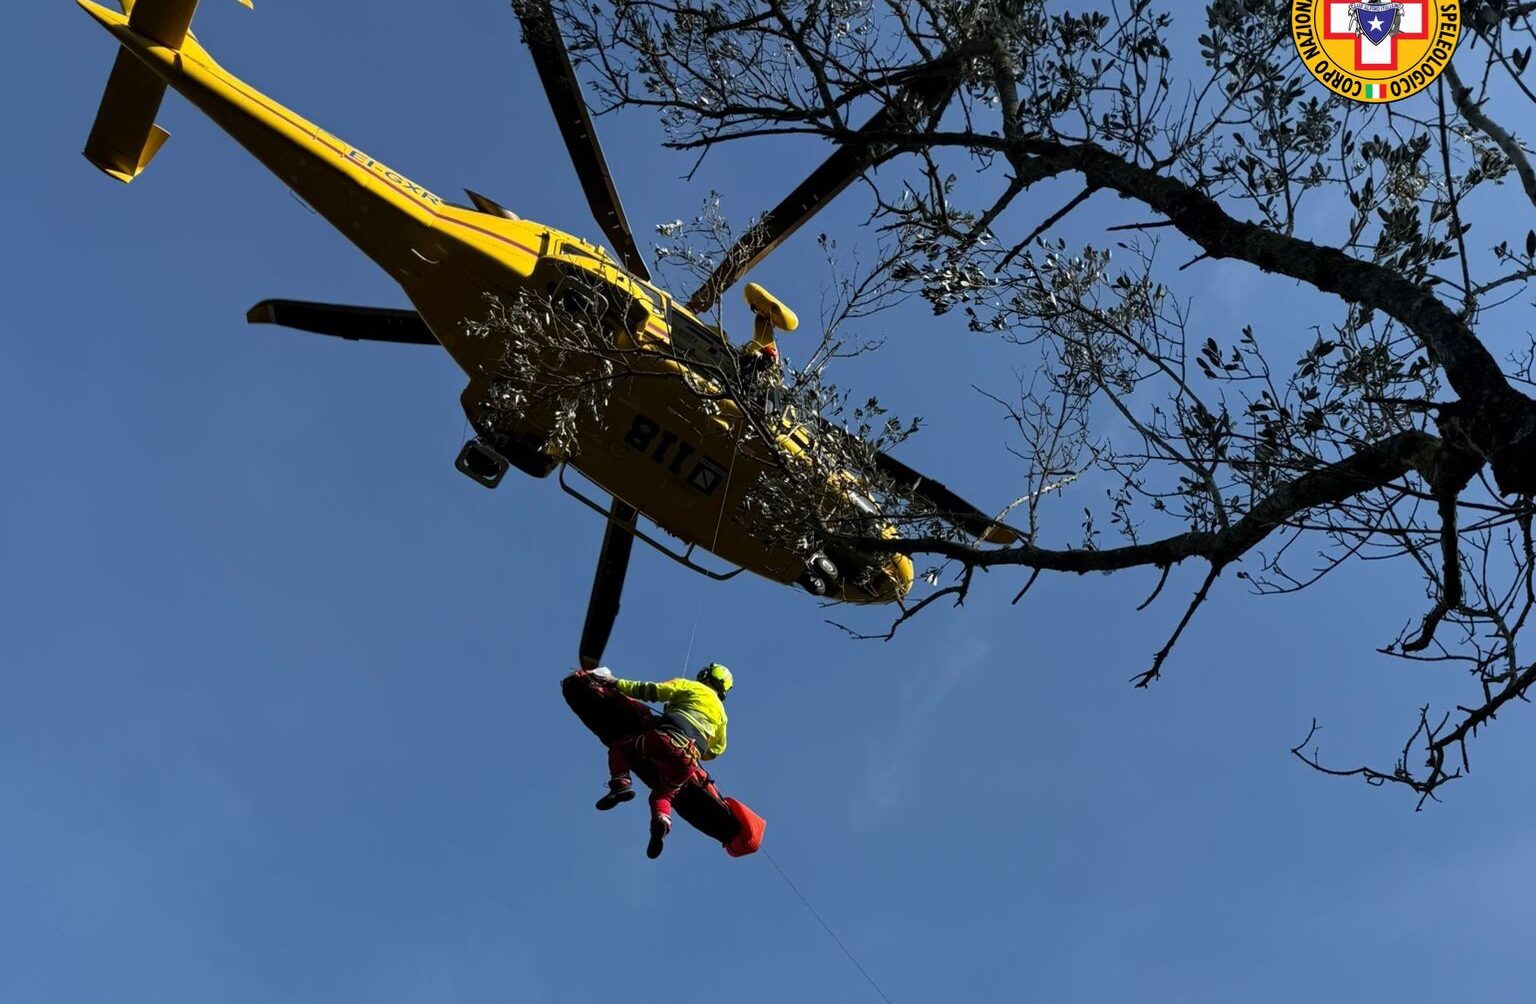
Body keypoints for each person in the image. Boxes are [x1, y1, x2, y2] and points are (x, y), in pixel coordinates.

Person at [588, 663, 732, 858]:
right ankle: (661, 822)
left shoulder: (690, 686)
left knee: (620, 748)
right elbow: (716, 749)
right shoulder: (722, 715)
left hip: (665, 740)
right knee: (662, 795)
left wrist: (614, 682)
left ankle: (621, 784)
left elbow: (652, 691)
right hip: (688, 763)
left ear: (707, 675)